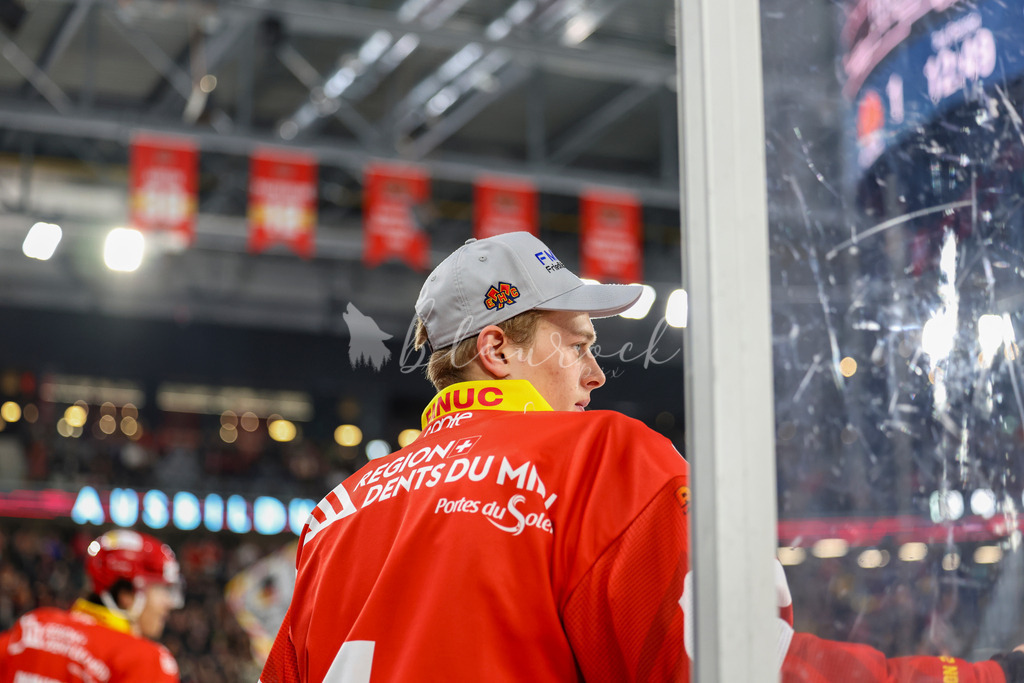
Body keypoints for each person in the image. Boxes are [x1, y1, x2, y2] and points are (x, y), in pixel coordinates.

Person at [260, 231, 1024, 682]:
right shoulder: (600, 459)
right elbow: (745, 669)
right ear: (496, 347)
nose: (595, 374)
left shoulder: (337, 512)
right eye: (577, 344)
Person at [0, 528, 183, 682]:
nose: (170, 603)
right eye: (162, 590)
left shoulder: (34, 624)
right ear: (126, 594)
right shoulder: (145, 659)